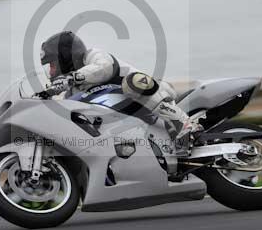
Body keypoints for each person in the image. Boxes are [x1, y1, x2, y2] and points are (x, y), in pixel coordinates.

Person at [40, 31, 203, 152]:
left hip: (155, 91)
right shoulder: (73, 91)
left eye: (53, 64)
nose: (52, 71)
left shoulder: (93, 56)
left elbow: (103, 68)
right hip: (137, 117)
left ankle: (184, 123)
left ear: (65, 57)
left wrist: (72, 77)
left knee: (132, 82)